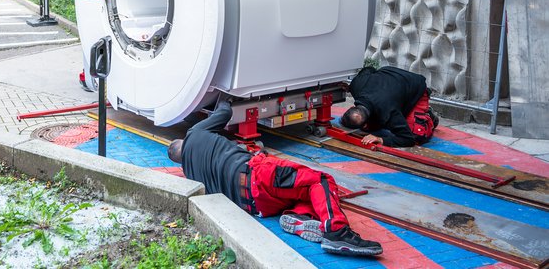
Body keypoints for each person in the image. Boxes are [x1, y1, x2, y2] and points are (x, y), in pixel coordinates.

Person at [167, 100, 382, 257]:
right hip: (256, 174)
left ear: (180, 161)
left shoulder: (191, 173)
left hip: (255, 205)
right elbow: (223, 114)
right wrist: (223, 98)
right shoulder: (194, 133)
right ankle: (337, 232)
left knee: (302, 190)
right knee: (320, 181)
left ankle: (300, 218)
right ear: (182, 140)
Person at [341, 65, 439, 147]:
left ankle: (428, 117)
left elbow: (408, 139)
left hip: (415, 87)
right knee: (374, 127)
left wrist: (380, 139)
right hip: (391, 76)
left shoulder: (388, 113)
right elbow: (369, 69)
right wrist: (350, 88)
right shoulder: (356, 85)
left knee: (417, 136)